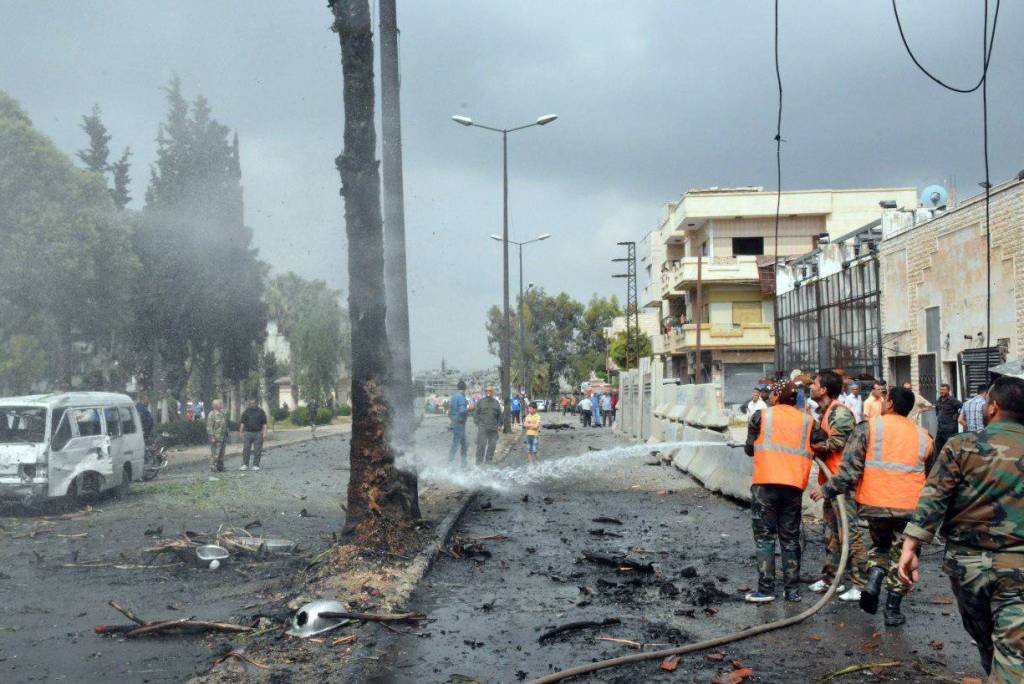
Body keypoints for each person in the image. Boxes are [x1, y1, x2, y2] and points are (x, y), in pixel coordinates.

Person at [897, 376, 1024, 680]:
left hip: (968, 566)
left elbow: (934, 498)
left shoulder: (961, 445)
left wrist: (910, 547)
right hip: (1018, 567)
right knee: (1010, 649)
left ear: (992, 407)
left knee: (991, 644)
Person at [811, 387, 932, 627]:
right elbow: (933, 477)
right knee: (905, 555)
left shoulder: (869, 429)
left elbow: (849, 472)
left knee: (881, 546)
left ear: (889, 404)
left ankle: (875, 575)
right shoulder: (923, 435)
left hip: (875, 505)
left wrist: (827, 489)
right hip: (910, 507)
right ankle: (893, 609)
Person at [743, 381, 815, 603]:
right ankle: (791, 591)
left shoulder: (761, 416)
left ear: (775, 396)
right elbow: (822, 444)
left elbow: (749, 449)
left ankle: (766, 590)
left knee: (765, 538)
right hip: (793, 487)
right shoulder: (808, 421)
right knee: (790, 539)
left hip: (765, 486)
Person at [808, 370, 867, 602]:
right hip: (832, 484)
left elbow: (836, 443)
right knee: (831, 534)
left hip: (843, 484)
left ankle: (860, 584)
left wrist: (811, 446)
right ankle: (832, 578)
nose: (811, 386)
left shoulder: (840, 413)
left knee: (849, 535)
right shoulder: (826, 412)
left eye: (814, 383)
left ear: (823, 389)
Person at [474, 386, 502, 465]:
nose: (488, 392)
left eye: (490, 391)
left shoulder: (496, 403)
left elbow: (499, 415)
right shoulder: (480, 402)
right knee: (481, 445)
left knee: (492, 445)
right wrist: (478, 423)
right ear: (485, 392)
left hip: (493, 428)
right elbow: (475, 414)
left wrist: (499, 425)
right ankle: (478, 463)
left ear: (492, 392)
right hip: (483, 428)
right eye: (486, 391)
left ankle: (488, 461)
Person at [238, 398, 268, 471]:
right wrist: (241, 432)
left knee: (257, 449)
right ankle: (245, 464)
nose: (252, 404)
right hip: (248, 433)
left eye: (253, 403)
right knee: (246, 449)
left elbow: (264, 423)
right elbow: (242, 422)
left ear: (256, 403)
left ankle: (256, 465)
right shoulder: (246, 412)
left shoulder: (261, 412)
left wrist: (265, 433)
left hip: (258, 433)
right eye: (251, 403)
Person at [934, 383, 962, 455]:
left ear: (948, 391)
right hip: (940, 429)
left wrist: (957, 415)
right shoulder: (939, 400)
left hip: (949, 429)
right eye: (941, 390)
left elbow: (962, 407)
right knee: (937, 447)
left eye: (944, 390)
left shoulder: (952, 400)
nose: (942, 391)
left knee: (950, 448)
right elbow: (937, 409)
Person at [448, 380, 470, 466]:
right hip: (460, 423)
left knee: (462, 443)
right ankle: (451, 462)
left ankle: (463, 463)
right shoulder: (461, 397)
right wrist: (470, 409)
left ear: (458, 388)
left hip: (455, 422)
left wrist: (453, 420)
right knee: (458, 444)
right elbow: (462, 410)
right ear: (465, 388)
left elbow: (449, 412)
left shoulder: (453, 397)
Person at [205, 399, 228, 472]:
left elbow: (225, 424)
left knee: (222, 452)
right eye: (220, 404)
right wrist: (211, 437)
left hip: (223, 436)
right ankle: (213, 466)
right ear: (215, 405)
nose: (221, 405)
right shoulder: (212, 414)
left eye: (221, 403)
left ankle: (220, 467)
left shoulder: (222, 413)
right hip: (216, 437)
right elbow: (209, 427)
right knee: (215, 453)